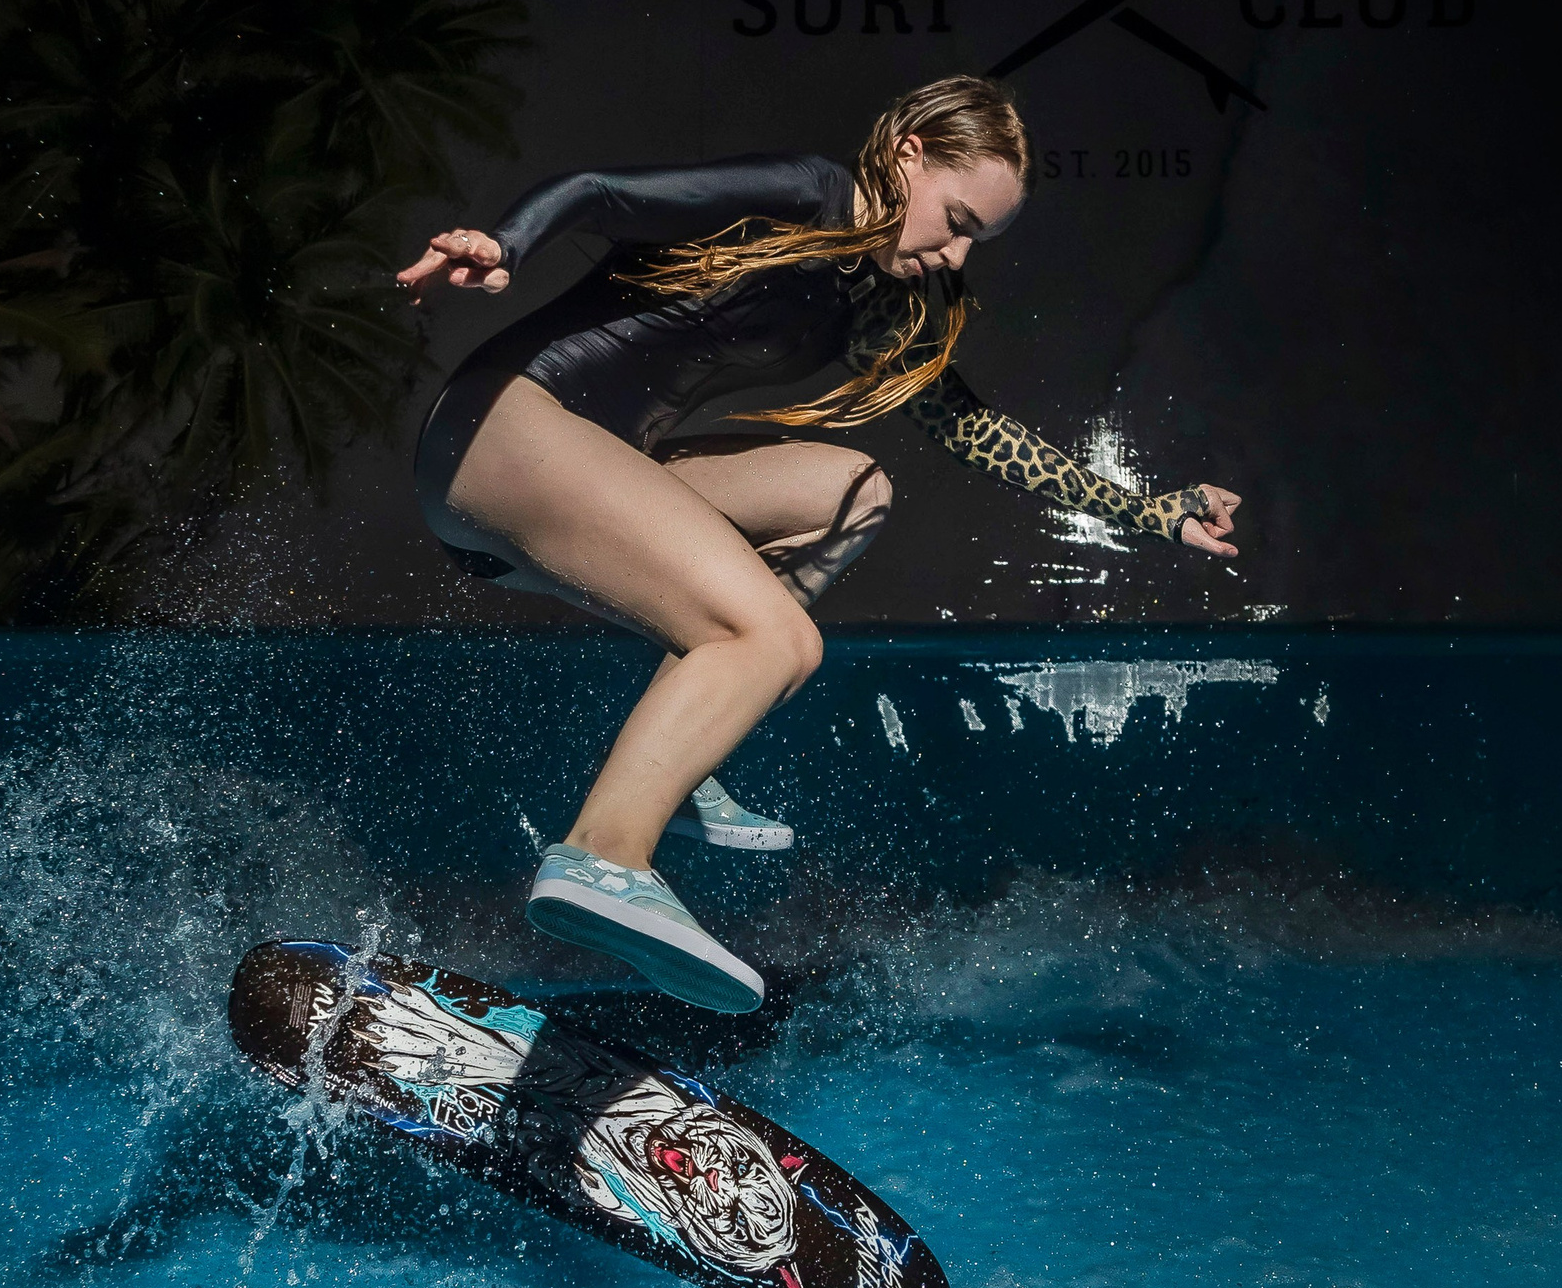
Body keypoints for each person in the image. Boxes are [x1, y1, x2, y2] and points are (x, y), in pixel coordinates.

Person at [400, 75, 1240, 1015]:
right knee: (777, 640)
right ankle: (604, 855)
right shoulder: (805, 194)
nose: (956, 253)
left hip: (583, 473)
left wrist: (1148, 511)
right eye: (956, 221)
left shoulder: (881, 300)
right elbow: (600, 192)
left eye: (978, 241)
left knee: (854, 493)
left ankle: (683, 744)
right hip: (505, 430)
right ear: (909, 153)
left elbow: (974, 430)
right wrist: (504, 243)